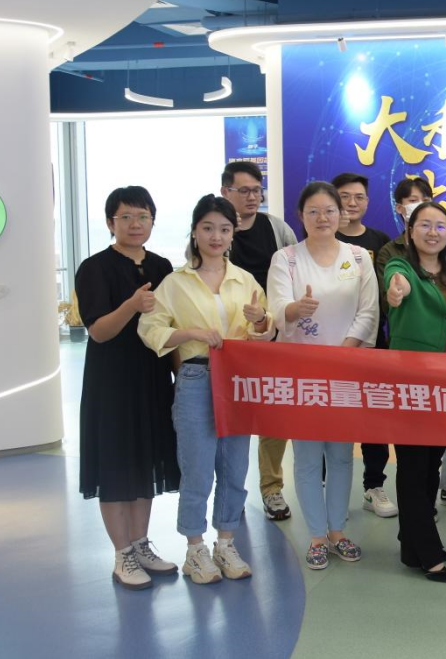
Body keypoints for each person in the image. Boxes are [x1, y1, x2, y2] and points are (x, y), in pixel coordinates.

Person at [138, 194, 274, 584]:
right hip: (197, 377)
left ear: (233, 234)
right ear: (195, 232)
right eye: (208, 228)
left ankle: (226, 542)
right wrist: (191, 333)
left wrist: (260, 320)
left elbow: (264, 334)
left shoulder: (244, 280)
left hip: (238, 381)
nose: (216, 236)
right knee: (197, 468)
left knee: (234, 467)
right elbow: (150, 330)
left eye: (225, 229)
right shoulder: (175, 283)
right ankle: (195, 548)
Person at [267, 181, 379, 570]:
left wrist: (343, 354)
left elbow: (369, 311)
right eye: (312, 211)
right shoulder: (286, 259)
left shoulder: (359, 257)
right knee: (307, 457)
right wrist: (296, 309)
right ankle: (316, 536)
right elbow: (277, 308)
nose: (322, 217)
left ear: (341, 214)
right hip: (303, 375)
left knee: (342, 455)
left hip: (346, 371)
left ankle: (338, 531)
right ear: (300, 216)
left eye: (329, 210)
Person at [76, 186, 180, 590]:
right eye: (126, 217)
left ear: (152, 220)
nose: (136, 224)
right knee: (117, 464)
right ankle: (122, 554)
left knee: (145, 460)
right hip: (112, 381)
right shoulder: (94, 268)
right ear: (110, 222)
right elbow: (99, 331)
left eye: (143, 216)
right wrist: (132, 306)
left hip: (152, 376)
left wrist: (179, 377)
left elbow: (170, 325)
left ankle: (140, 543)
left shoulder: (161, 265)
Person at [383, 202, 446, 583]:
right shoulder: (400, 266)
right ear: (410, 231)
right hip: (411, 381)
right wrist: (396, 291)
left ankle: (413, 543)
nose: (433, 232)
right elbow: (396, 286)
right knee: (412, 464)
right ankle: (427, 548)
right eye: (424, 225)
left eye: (440, 226)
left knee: (432, 463)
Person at [220, 161, 299, 523]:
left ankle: (271, 488)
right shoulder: (216, 230)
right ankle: (229, 492)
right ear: (226, 192)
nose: (252, 197)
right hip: (230, 341)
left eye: (256, 190)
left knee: (274, 415)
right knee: (231, 418)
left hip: (274, 335)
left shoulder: (276, 228)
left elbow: (297, 269)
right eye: (244, 190)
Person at [331, 172, 399, 519]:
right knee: (332, 419)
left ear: (368, 202)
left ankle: (374, 487)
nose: (351, 203)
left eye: (358, 197)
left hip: (374, 342)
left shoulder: (380, 241)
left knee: (375, 418)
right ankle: (330, 490)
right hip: (330, 345)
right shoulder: (322, 239)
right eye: (344, 196)